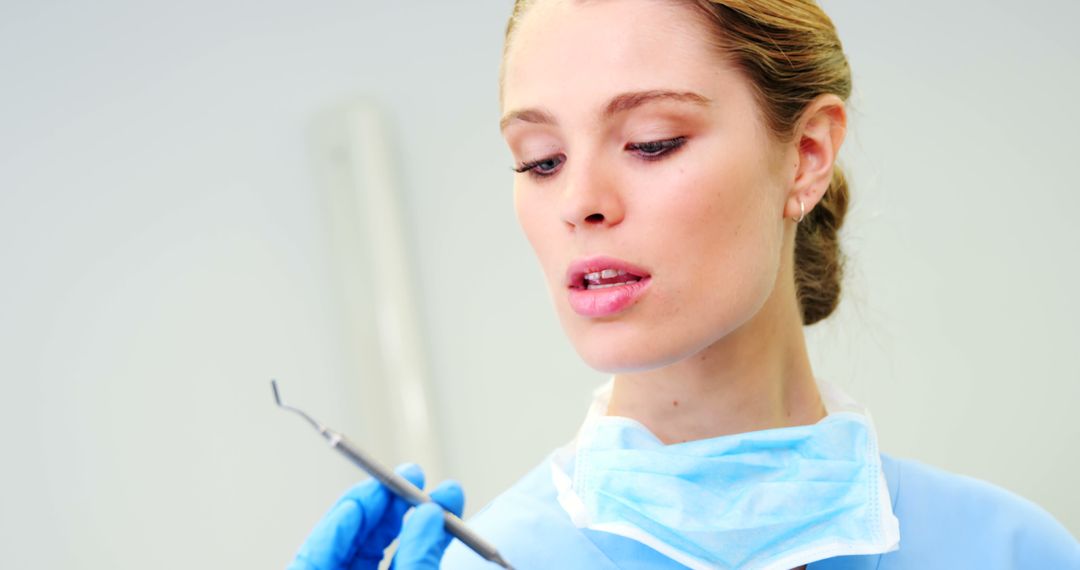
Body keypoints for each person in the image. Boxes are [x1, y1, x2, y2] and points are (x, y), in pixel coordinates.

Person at [289, 1, 1080, 568]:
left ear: (805, 155)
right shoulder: (498, 562)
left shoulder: (1010, 551)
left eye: (651, 142)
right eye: (540, 160)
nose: (580, 202)